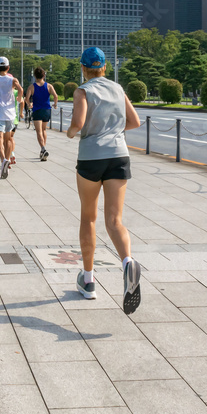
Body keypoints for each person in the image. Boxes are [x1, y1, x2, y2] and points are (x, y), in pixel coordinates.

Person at [66, 47, 142, 315]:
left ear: (84, 68)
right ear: (105, 68)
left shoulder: (83, 90)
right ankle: (127, 262)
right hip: (119, 155)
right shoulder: (118, 89)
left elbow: (78, 121)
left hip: (91, 157)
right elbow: (134, 121)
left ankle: (88, 280)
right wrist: (113, 130)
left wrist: (72, 132)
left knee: (89, 218)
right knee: (115, 220)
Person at [24, 66, 58, 161]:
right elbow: (55, 96)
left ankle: (43, 148)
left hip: (37, 110)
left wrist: (29, 104)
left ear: (35, 76)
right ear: (44, 75)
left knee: (38, 131)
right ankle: (43, 150)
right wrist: (55, 104)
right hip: (47, 110)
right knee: (44, 130)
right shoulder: (49, 86)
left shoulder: (32, 87)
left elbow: (26, 98)